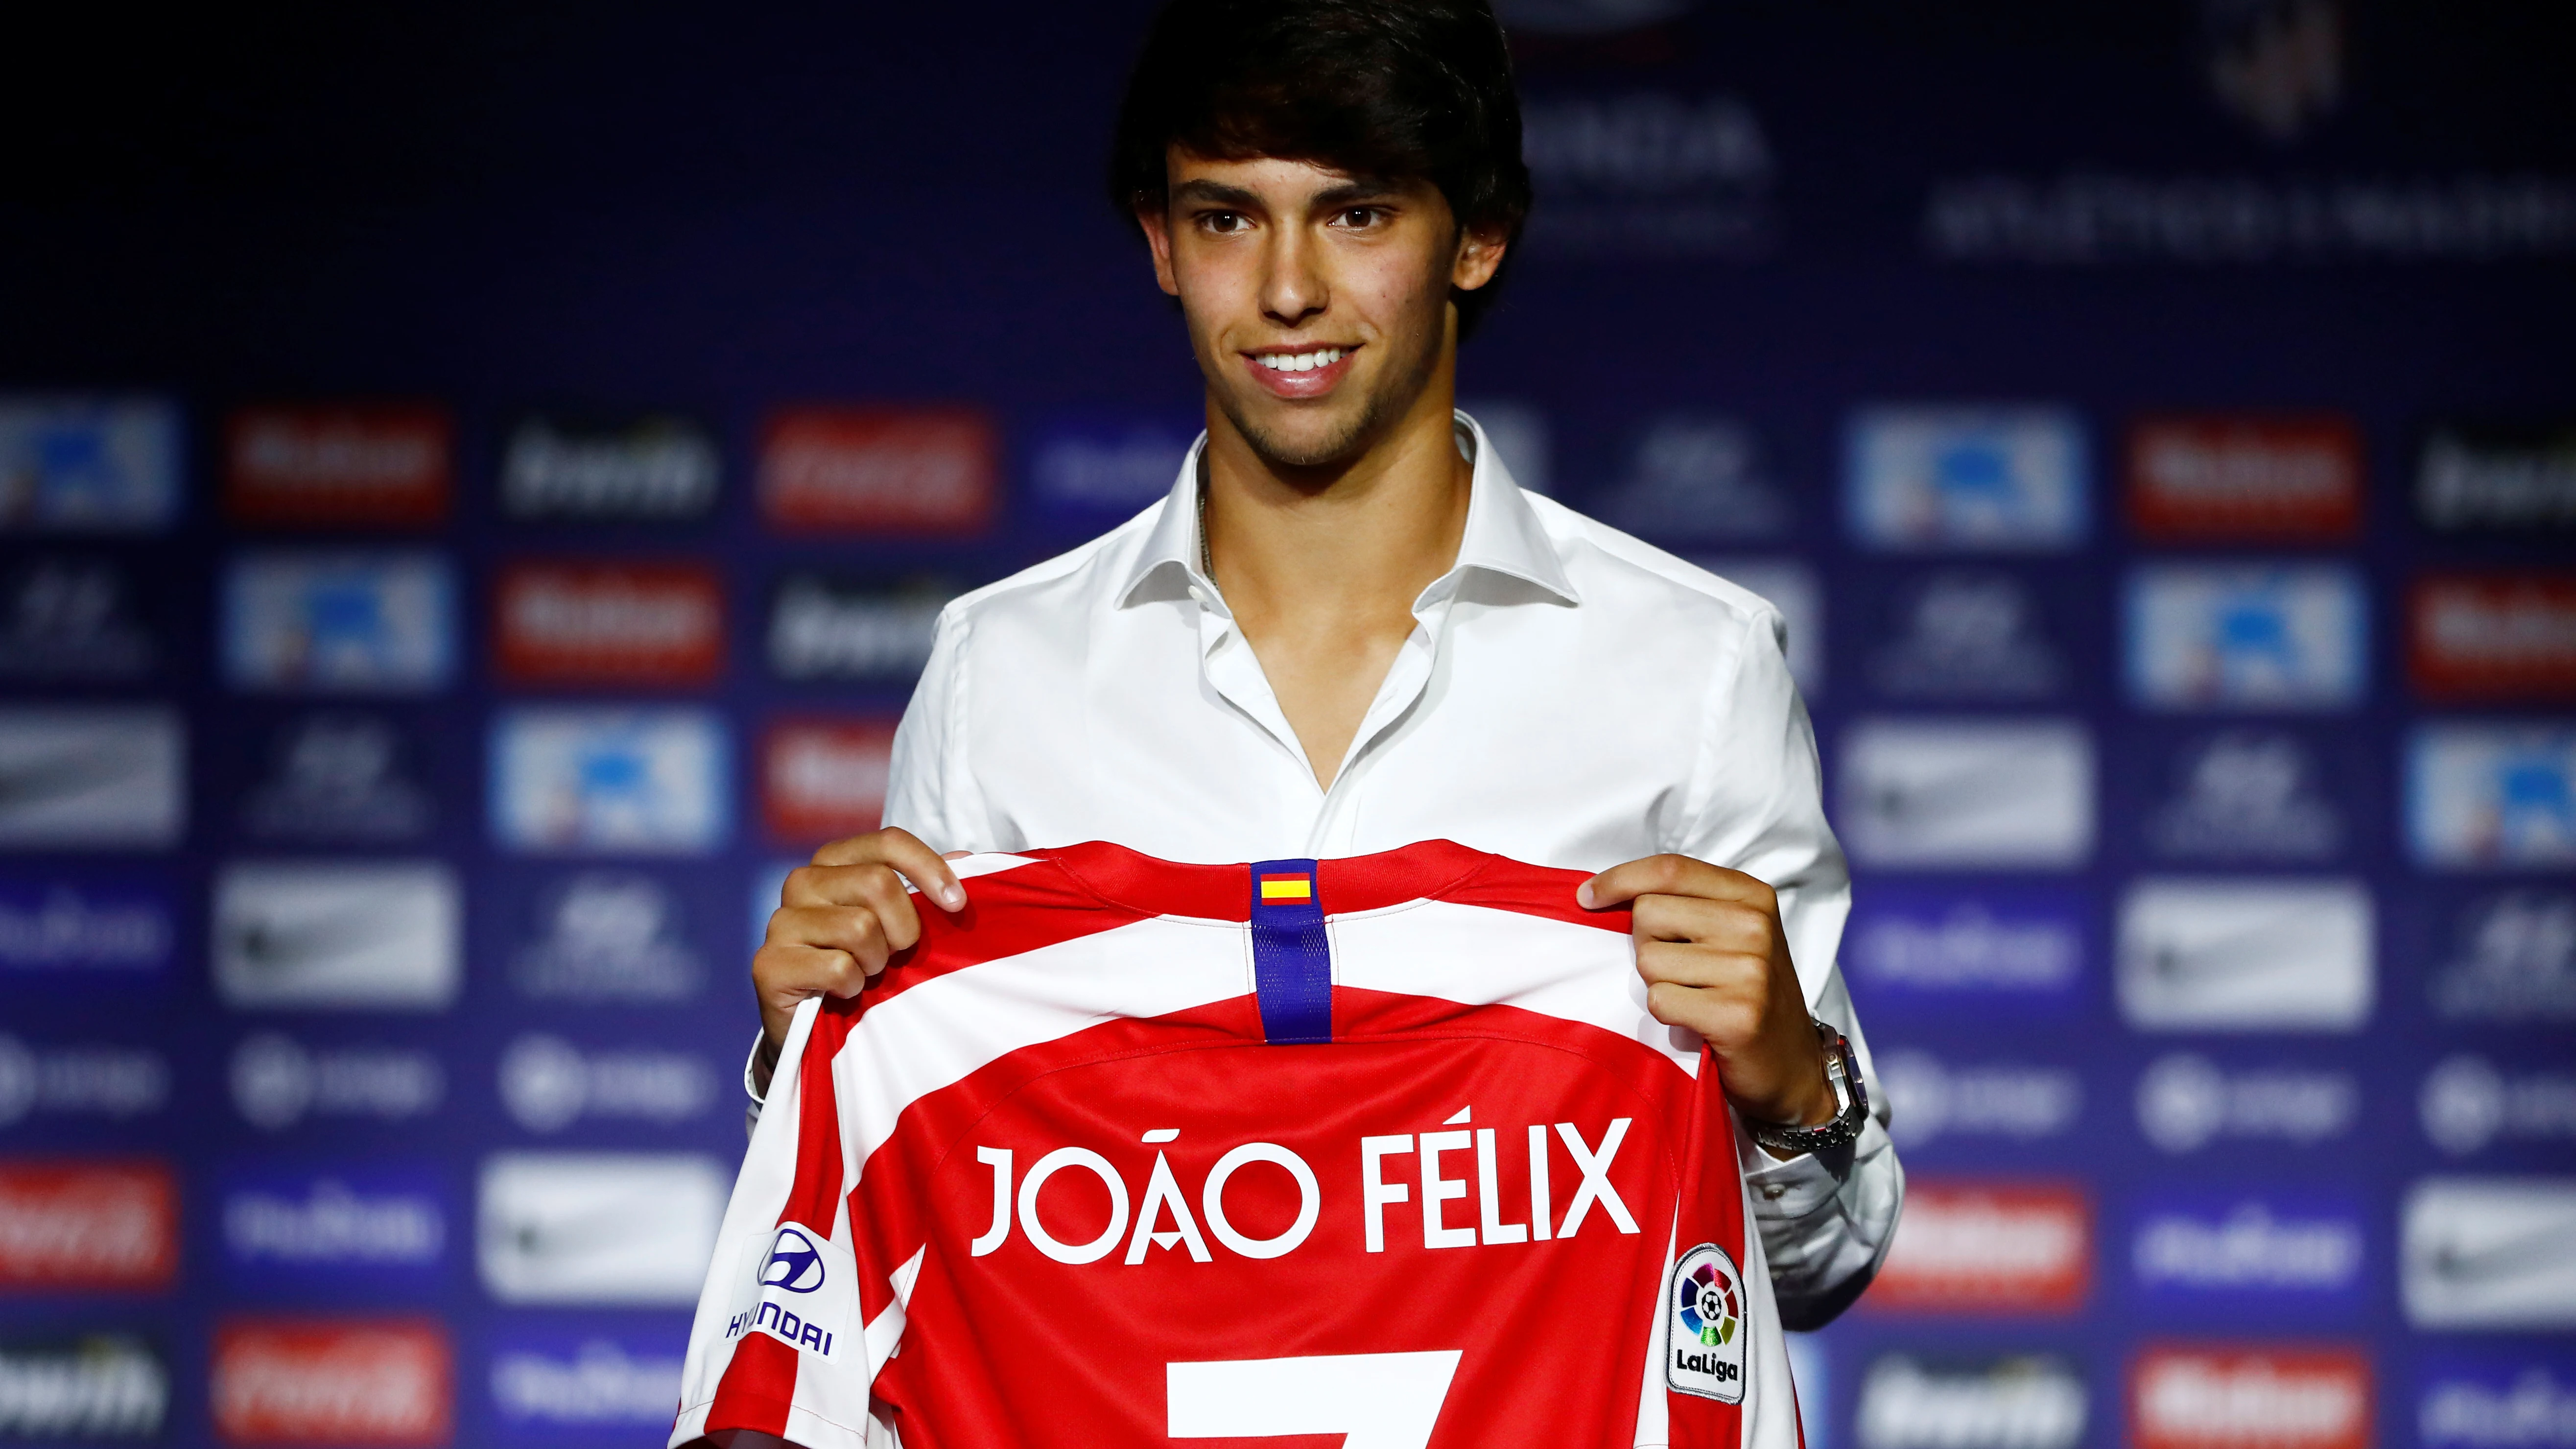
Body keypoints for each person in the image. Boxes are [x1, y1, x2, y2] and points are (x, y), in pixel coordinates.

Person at [744, 0, 1899, 1333]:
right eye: (1227, 217)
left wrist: (1786, 1087)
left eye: (1356, 214)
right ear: (1160, 243)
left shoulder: (1690, 661)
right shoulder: (1003, 667)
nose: (1287, 288)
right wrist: (814, 1047)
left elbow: (1812, 1273)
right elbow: (913, 1240)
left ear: (1476, 236)